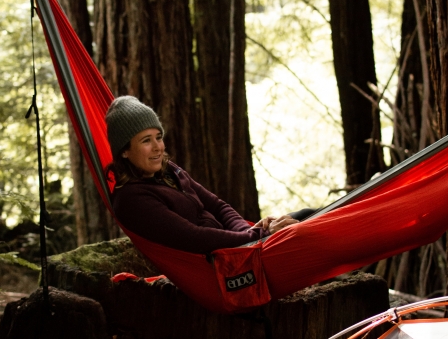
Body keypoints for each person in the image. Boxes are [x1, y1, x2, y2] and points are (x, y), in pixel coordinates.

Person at [105, 96, 315, 255]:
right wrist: (260, 236)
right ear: (124, 150)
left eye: (158, 137)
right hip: (220, 267)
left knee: (306, 215)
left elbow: (217, 206)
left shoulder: (169, 171)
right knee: (306, 229)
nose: (158, 148)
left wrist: (249, 232)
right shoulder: (131, 200)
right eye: (146, 141)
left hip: (241, 246)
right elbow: (193, 237)